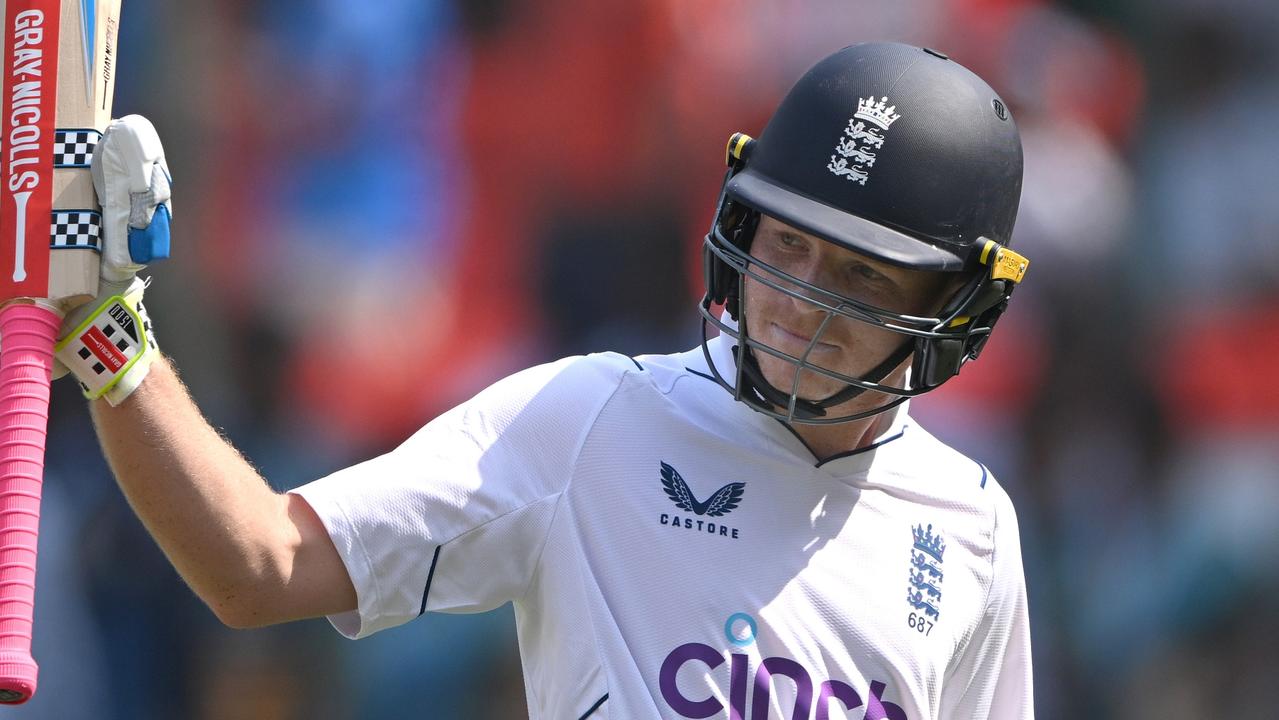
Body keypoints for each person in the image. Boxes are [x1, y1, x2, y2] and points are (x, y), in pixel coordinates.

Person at [65, 42, 1033, 719]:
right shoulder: (590, 420)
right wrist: (107, 335)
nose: (799, 300)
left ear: (956, 309)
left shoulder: (973, 529)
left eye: (859, 273)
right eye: (785, 245)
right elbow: (259, 565)